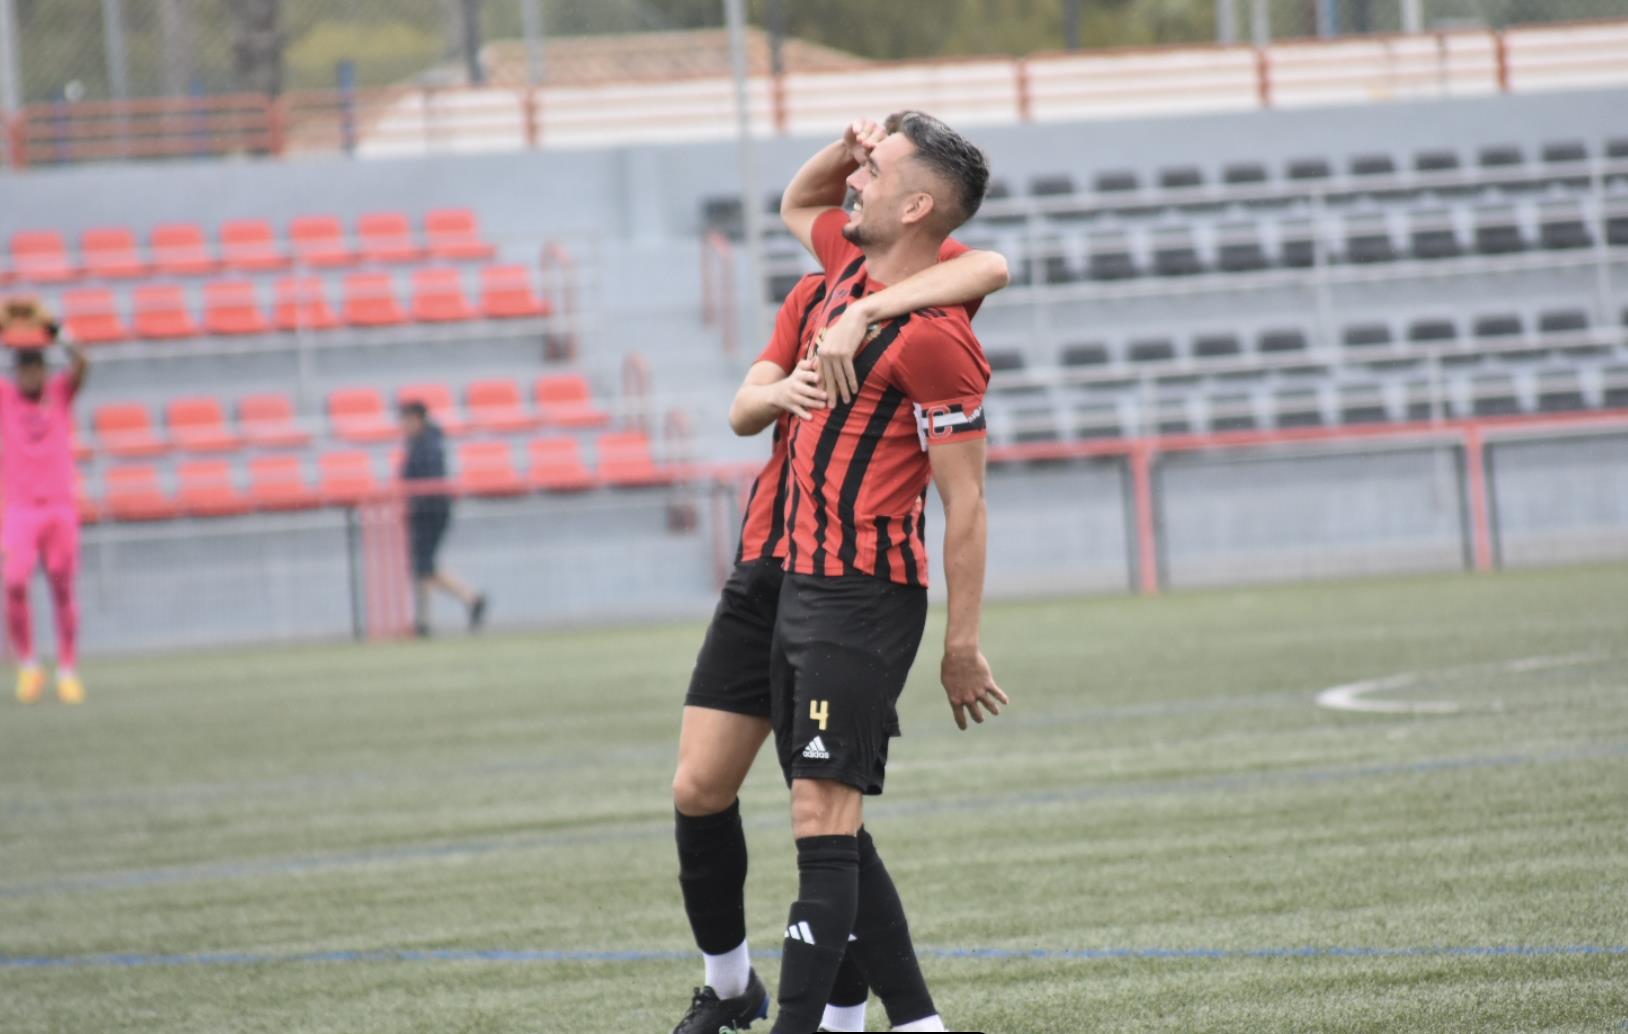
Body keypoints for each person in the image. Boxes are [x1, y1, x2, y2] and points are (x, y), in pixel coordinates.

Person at [671, 235, 1008, 1033]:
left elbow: (993, 264)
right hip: (769, 565)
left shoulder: (927, 311)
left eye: (874, 161)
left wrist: (868, 310)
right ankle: (747, 988)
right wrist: (785, 383)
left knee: (823, 811)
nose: (854, 177)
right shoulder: (819, 278)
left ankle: (866, 1020)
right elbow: (744, 410)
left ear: (914, 206)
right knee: (707, 789)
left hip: (850, 587)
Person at [1, 301, 88, 704]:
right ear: (16, 370)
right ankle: (30, 666)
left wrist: (55, 330)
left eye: (36, 367)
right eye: (24, 368)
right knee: (16, 581)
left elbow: (83, 364)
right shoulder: (5, 398)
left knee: (62, 585)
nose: (31, 375)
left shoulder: (59, 392)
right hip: (19, 507)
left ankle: (68, 669)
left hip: (59, 505)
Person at [398, 400, 486, 637]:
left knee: (424, 566)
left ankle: (432, 618)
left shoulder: (428, 445)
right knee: (424, 568)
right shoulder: (422, 442)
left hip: (431, 511)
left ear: (417, 419)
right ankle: (464, 602)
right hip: (426, 510)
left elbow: (427, 480)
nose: (403, 425)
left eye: (406, 420)